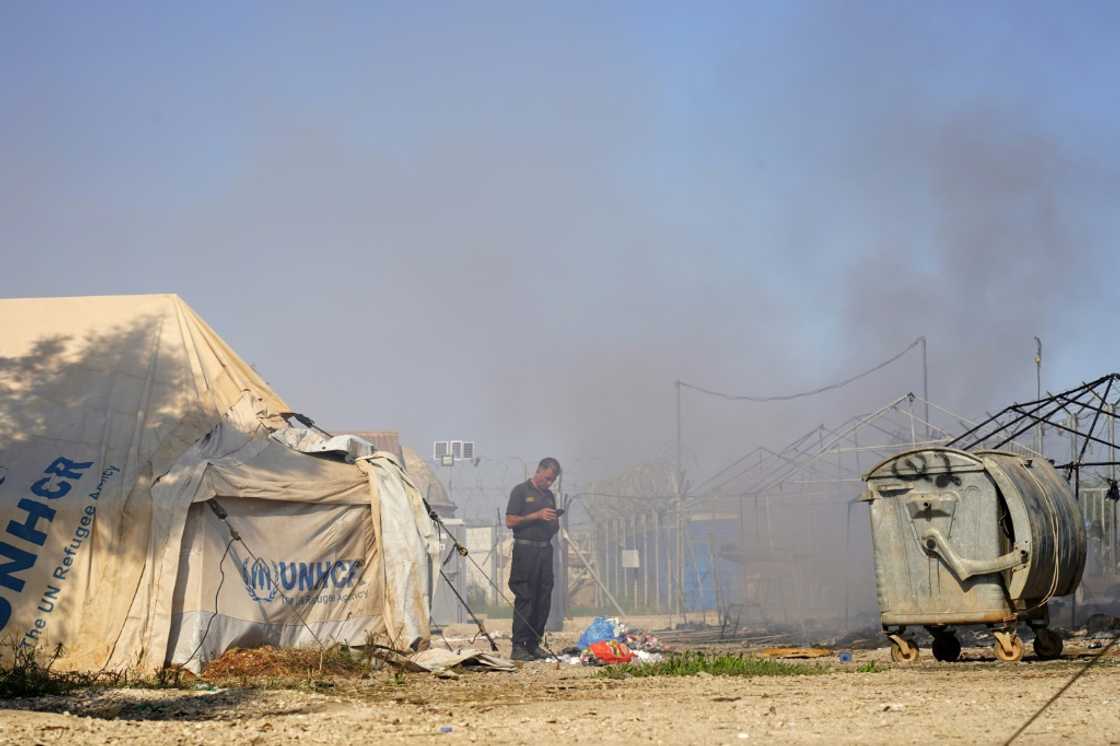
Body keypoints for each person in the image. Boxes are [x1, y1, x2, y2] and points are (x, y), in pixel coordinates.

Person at [505, 457, 561, 661]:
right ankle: (518, 645)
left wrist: (554, 520)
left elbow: (554, 527)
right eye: (547, 478)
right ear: (538, 471)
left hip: (544, 551)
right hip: (525, 551)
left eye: (552, 480)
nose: (548, 483)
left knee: (543, 598)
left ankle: (533, 643)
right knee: (526, 596)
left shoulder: (549, 496)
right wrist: (536, 515)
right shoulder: (521, 491)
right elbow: (510, 521)